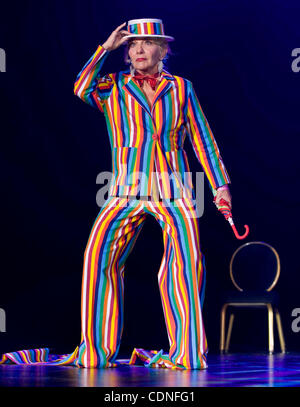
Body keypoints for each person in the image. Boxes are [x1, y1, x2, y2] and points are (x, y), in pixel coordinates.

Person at [0, 18, 231, 370]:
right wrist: (104, 49)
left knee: (185, 264)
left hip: (175, 186)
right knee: (98, 257)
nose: (138, 49)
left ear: (163, 49)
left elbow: (203, 139)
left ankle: (187, 354)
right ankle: (95, 350)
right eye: (132, 44)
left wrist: (220, 187)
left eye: (147, 43)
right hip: (125, 187)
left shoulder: (182, 88)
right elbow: (81, 87)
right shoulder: (114, 86)